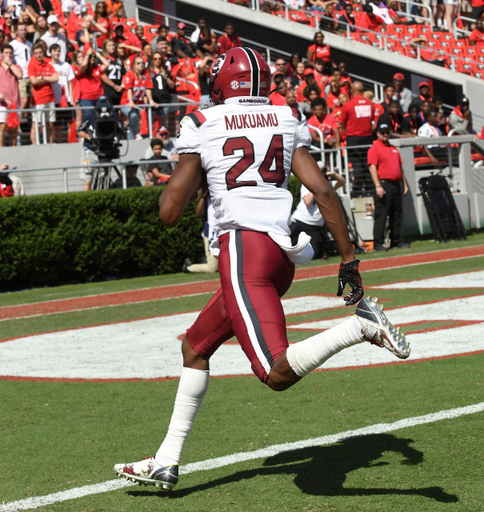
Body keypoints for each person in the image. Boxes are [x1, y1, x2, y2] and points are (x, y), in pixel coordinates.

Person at [113, 47, 410, 491]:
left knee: (275, 373)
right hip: (280, 255)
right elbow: (325, 193)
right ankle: (166, 460)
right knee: (195, 346)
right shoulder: (284, 116)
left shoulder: (204, 122)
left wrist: (191, 176)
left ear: (220, 84)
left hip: (244, 255)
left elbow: (169, 213)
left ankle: (360, 326)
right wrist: (349, 259)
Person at [368, 123, 409, 251]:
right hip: (384, 184)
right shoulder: (374, 149)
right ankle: (378, 243)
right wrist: (378, 185)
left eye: (387, 132)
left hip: (396, 184)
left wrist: (405, 185)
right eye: (383, 132)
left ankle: (396, 240)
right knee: (381, 214)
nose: (385, 134)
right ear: (378, 134)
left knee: (396, 214)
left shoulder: (394, 148)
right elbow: (372, 167)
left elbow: (400, 167)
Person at [291, 164, 346, 259]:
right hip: (300, 220)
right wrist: (317, 185)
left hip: (314, 225)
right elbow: (308, 201)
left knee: (314, 254)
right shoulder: (308, 184)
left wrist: (334, 175)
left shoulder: (328, 185)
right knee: (284, 239)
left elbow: (342, 182)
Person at [340, 80, 375, 197]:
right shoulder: (370, 104)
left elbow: (342, 124)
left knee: (358, 167)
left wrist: (347, 134)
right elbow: (372, 122)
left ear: (352, 91)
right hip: (368, 139)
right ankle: (370, 191)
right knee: (368, 165)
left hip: (353, 139)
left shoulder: (348, 105)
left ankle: (356, 192)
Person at [28, 41, 58, 144]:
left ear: (43, 52)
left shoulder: (48, 64)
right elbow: (34, 81)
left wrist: (42, 77)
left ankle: (49, 145)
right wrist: (48, 79)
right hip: (38, 99)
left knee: (50, 124)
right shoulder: (32, 64)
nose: (38, 55)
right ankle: (35, 146)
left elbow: (56, 78)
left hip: (50, 98)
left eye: (40, 52)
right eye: (36, 53)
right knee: (36, 124)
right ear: (33, 53)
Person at [120, 55, 155, 139]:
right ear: (134, 65)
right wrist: (130, 100)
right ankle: (136, 134)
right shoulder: (130, 73)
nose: (141, 65)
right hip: (126, 102)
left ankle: (135, 136)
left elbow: (148, 88)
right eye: (138, 63)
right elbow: (129, 88)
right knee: (133, 116)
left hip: (139, 103)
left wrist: (151, 101)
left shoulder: (146, 74)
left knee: (135, 121)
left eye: (142, 63)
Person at [182, 195, 218, 274]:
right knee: (212, 268)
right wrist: (203, 197)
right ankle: (188, 268)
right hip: (211, 234)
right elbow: (198, 213)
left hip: (227, 229)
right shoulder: (208, 197)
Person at [50, 43, 74, 143]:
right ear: (50, 52)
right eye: (54, 50)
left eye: (58, 51)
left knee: (70, 123)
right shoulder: (48, 66)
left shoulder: (66, 65)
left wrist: (71, 98)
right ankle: (60, 143)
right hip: (54, 99)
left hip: (66, 99)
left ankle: (71, 142)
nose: (57, 53)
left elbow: (70, 83)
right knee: (57, 125)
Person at [78, 46, 110, 125]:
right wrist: (87, 54)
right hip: (86, 99)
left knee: (102, 118)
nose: (92, 58)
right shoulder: (82, 69)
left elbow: (107, 64)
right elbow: (84, 64)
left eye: (94, 57)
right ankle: (88, 136)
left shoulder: (97, 68)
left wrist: (97, 53)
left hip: (99, 98)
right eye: (91, 57)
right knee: (88, 117)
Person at [0, 44, 22, 147]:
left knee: (13, 128)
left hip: (14, 103)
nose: (8, 55)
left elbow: (20, 75)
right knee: (2, 127)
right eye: (6, 53)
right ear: (2, 54)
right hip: (2, 104)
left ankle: (12, 149)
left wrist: (10, 64)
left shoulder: (15, 66)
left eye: (10, 53)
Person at [10, 22, 32, 114]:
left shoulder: (29, 44)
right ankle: (16, 125)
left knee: (31, 103)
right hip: (21, 77)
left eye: (24, 29)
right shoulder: (12, 44)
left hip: (31, 76)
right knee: (23, 101)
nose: (23, 32)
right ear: (16, 32)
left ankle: (31, 126)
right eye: (21, 30)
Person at [101, 39, 126, 106]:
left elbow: (124, 74)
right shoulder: (102, 58)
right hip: (108, 90)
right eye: (109, 45)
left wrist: (122, 86)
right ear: (105, 47)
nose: (112, 47)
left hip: (119, 90)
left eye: (113, 45)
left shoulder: (119, 59)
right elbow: (102, 74)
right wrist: (114, 86)